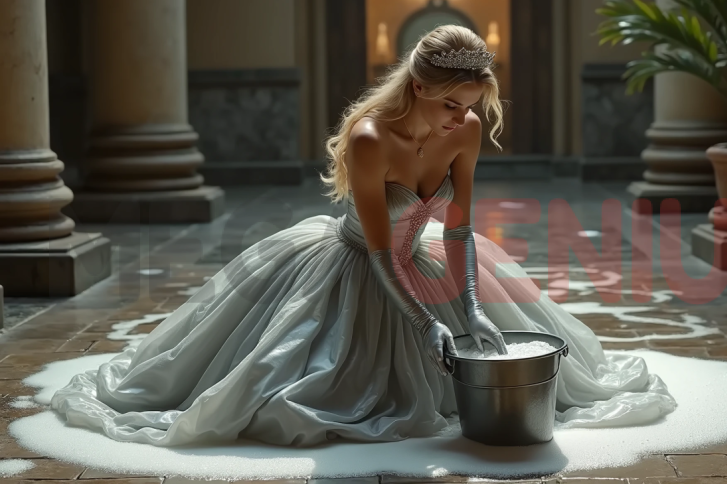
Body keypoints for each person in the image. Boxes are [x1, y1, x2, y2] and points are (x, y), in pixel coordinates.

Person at [50, 25, 676, 448]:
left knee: (529, 368)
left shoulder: (465, 132)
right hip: (359, 263)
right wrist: (423, 320)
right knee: (297, 390)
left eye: (474, 105)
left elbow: (458, 230)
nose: (465, 119)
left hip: (430, 258)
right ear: (421, 87)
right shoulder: (372, 138)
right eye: (453, 104)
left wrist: (473, 309)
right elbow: (380, 252)